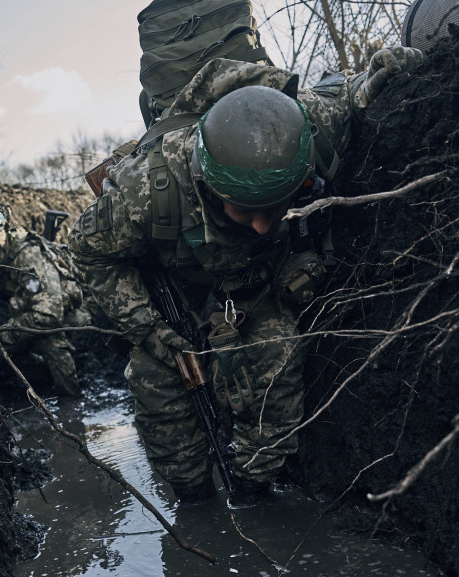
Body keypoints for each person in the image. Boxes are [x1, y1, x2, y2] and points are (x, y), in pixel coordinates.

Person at [70, 49, 422, 507]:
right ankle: (193, 501)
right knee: (157, 388)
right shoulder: (146, 191)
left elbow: (352, 91)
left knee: (277, 367)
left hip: (260, 288)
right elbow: (88, 252)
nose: (260, 226)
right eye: (244, 211)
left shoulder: (309, 129)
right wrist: (150, 328)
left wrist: (385, 70)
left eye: (273, 209)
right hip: (181, 295)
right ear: (208, 183)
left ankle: (254, 494)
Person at [0, 203, 89, 396]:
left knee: (48, 339)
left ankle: (72, 401)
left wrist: (6, 333)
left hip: (71, 314)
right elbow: (0, 290)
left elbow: (49, 315)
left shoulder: (27, 256)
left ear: (2, 233)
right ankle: (46, 377)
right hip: (35, 312)